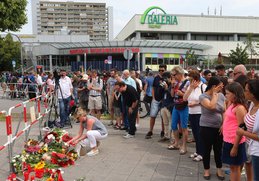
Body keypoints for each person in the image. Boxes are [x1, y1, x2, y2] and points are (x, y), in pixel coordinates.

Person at [199, 76, 225, 180]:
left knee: (218, 149)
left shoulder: (221, 96)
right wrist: (214, 94)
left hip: (218, 127)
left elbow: (224, 111)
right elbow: (211, 106)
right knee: (207, 149)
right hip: (206, 127)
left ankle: (219, 169)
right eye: (219, 87)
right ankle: (206, 170)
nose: (221, 89)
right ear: (214, 86)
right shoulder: (203, 97)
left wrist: (223, 124)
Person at [222, 82, 247, 181]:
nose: (225, 95)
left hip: (235, 141)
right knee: (232, 167)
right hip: (229, 139)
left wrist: (235, 147)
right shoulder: (232, 104)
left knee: (235, 168)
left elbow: (242, 128)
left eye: (228, 93)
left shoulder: (240, 108)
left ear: (235, 94)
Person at [237, 79, 259, 181]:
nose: (243, 92)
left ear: (253, 93)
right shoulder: (252, 104)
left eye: (246, 90)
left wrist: (243, 132)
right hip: (250, 145)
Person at [183, 70, 206, 162]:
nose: (189, 81)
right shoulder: (190, 86)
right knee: (195, 133)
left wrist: (196, 103)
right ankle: (197, 151)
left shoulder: (203, 87)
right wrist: (190, 88)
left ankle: (202, 153)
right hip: (191, 113)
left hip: (200, 113)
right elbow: (185, 98)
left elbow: (206, 99)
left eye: (191, 79)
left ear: (196, 79)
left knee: (200, 134)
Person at [167, 66, 189, 155]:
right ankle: (176, 143)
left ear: (180, 73)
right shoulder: (175, 83)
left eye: (174, 75)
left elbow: (189, 96)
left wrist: (182, 94)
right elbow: (172, 95)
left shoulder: (187, 82)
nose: (173, 77)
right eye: (172, 75)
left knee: (184, 127)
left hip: (184, 106)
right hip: (176, 105)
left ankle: (184, 146)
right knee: (173, 125)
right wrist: (172, 86)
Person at [145, 64, 167, 139]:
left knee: (163, 117)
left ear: (165, 70)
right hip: (156, 99)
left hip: (163, 100)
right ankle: (150, 131)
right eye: (159, 70)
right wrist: (153, 97)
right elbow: (153, 88)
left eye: (162, 70)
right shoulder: (156, 78)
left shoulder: (167, 78)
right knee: (152, 115)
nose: (161, 71)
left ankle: (163, 131)